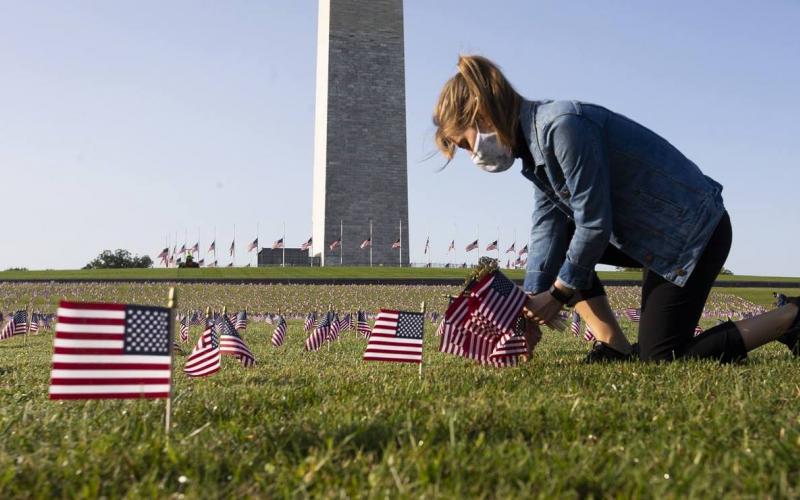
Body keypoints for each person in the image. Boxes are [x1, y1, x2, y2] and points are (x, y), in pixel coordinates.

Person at [432, 55, 800, 363]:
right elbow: (547, 230)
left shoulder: (562, 126)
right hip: (651, 238)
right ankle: (615, 346)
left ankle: (792, 316)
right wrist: (528, 310)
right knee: (563, 236)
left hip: (691, 235)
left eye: (464, 144)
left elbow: (593, 223)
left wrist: (557, 296)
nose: (471, 155)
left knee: (662, 358)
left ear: (481, 113)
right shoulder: (534, 150)